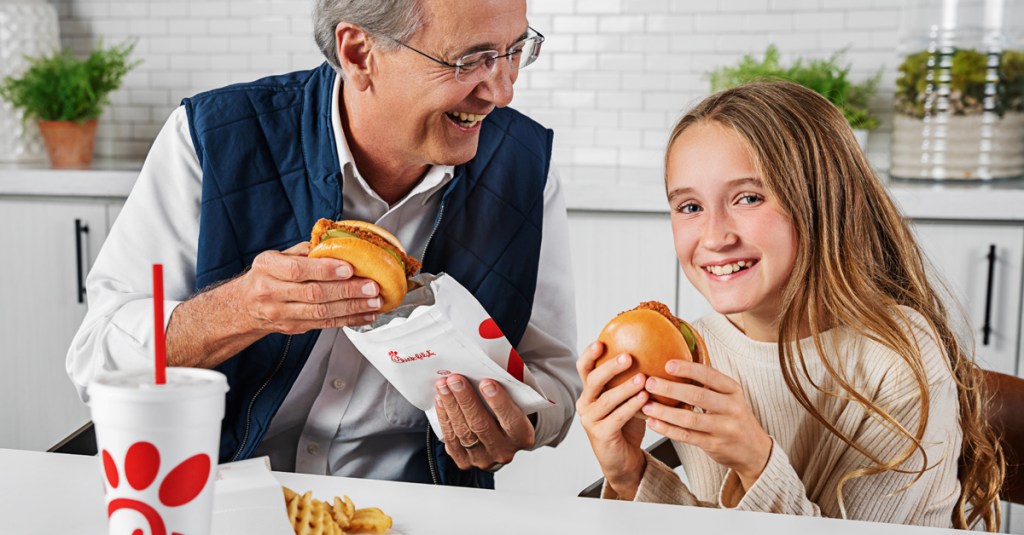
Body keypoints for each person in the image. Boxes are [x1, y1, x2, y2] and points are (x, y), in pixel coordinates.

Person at [66, 0, 580, 489]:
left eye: (514, 51)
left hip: (420, 510)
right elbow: (96, 362)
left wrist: (519, 422)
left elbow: (555, 380)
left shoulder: (526, 169)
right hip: (221, 500)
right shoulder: (212, 138)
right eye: (472, 60)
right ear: (359, 53)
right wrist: (240, 310)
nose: (504, 91)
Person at [575, 81, 1004, 529]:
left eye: (749, 198)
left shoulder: (899, 361)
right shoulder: (698, 349)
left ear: (825, 203)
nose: (715, 236)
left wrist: (756, 462)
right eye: (689, 206)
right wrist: (629, 475)